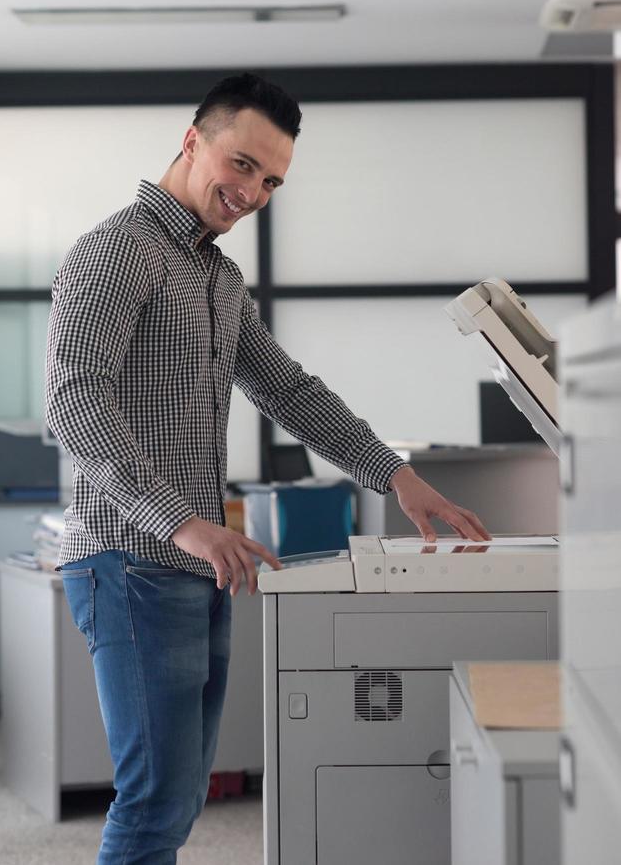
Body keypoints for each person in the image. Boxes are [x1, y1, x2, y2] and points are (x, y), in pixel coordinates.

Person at [45, 72, 489, 864]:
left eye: (273, 179)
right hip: (133, 559)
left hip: (191, 563)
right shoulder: (118, 251)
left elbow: (286, 389)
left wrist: (394, 475)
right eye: (243, 164)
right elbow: (74, 403)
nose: (254, 191)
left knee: (177, 800)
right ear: (193, 140)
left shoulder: (217, 276)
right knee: (154, 803)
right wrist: (185, 524)